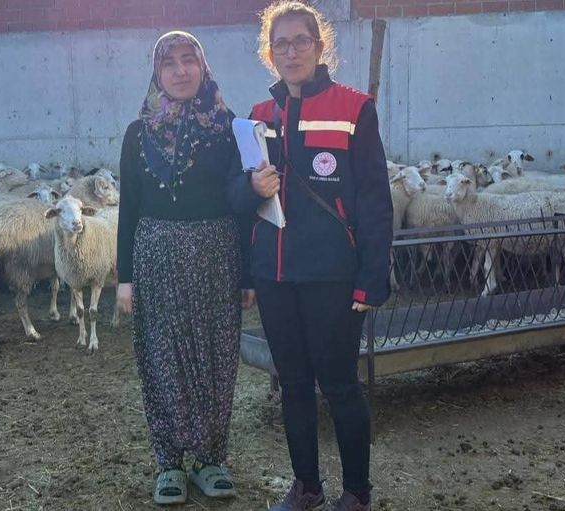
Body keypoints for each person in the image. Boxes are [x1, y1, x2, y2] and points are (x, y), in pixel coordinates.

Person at [227, 2, 394, 510]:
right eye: (280, 43)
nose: (292, 51)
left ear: (320, 47)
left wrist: (372, 279)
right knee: (294, 385)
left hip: (332, 277)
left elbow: (375, 200)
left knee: (340, 385)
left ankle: (357, 493)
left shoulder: (355, 108)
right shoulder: (258, 116)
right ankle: (307, 487)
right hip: (275, 275)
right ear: (269, 53)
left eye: (301, 41)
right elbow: (236, 198)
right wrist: (250, 187)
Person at [115, 31, 255, 505]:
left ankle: (211, 459)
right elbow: (129, 209)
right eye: (169, 63)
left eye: (188, 60)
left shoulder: (228, 127)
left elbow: (243, 205)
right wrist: (125, 278)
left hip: (218, 257)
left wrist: (248, 274)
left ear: (203, 66)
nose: (180, 71)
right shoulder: (138, 134)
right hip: (155, 257)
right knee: (163, 359)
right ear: (157, 73)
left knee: (215, 358)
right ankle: (170, 463)